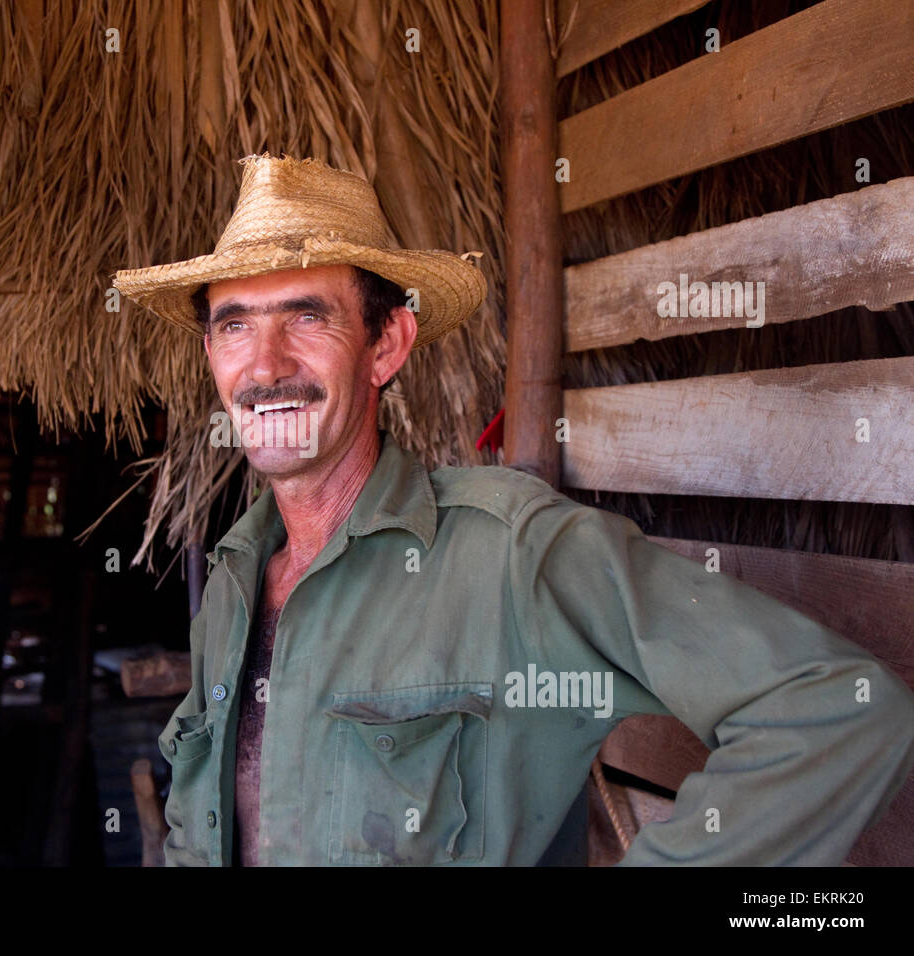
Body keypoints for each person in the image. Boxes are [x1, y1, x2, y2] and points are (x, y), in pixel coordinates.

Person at [112, 153, 914, 866]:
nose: (266, 365)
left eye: (307, 317)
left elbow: (836, 708)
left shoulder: (511, 554)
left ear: (387, 345)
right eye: (234, 325)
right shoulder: (232, 582)